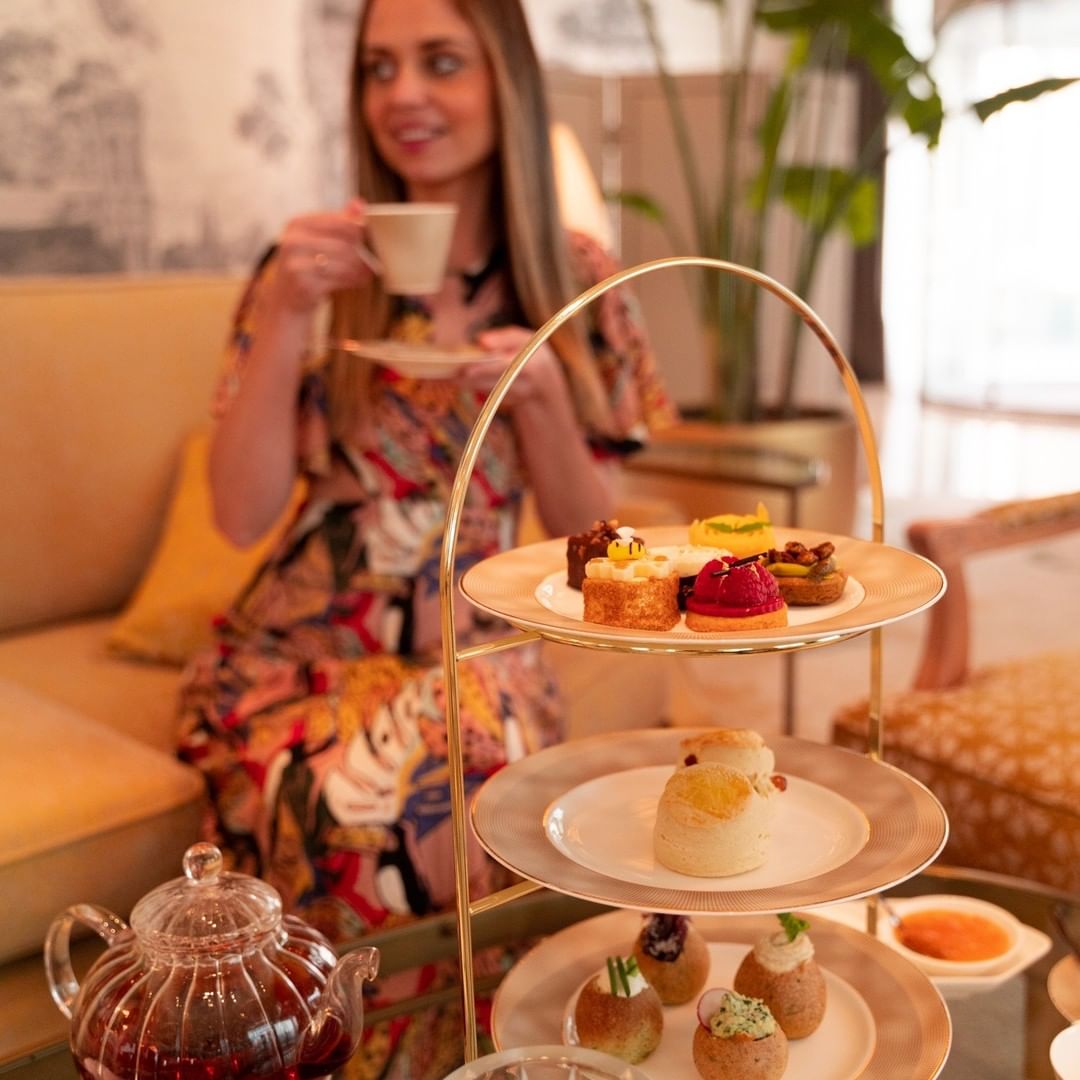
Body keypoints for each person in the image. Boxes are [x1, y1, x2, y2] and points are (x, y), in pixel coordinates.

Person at [177, 0, 676, 1074]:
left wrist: (543, 402)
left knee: (488, 790)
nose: (402, 94)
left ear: (506, 82)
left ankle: (493, 1054)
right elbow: (240, 515)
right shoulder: (312, 270)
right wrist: (284, 313)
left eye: (441, 62)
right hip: (299, 657)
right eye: (379, 68)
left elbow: (601, 551)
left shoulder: (576, 278)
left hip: (477, 649)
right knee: (376, 806)